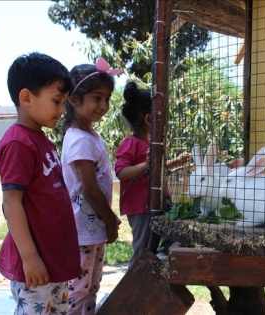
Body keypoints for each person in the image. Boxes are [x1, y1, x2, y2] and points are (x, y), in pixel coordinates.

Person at [0, 52, 81, 315]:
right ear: (26, 98)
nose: (61, 110)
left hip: (53, 262)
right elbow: (11, 203)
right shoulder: (18, 142)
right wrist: (30, 258)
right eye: (56, 101)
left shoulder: (42, 139)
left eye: (64, 103)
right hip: (35, 266)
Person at [60, 57, 121, 314]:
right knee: (78, 289)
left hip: (90, 229)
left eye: (107, 98)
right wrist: (111, 220)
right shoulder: (79, 139)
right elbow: (90, 189)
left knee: (91, 286)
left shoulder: (91, 135)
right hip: (81, 231)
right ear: (74, 99)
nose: (104, 106)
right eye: (97, 98)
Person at [115, 81, 190, 268]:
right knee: (142, 250)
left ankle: (152, 276)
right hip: (141, 208)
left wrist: (175, 163)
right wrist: (145, 165)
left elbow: (155, 168)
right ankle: (133, 287)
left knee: (171, 239)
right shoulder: (130, 143)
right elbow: (121, 172)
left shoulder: (150, 144)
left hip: (157, 204)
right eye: (161, 116)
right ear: (149, 119)